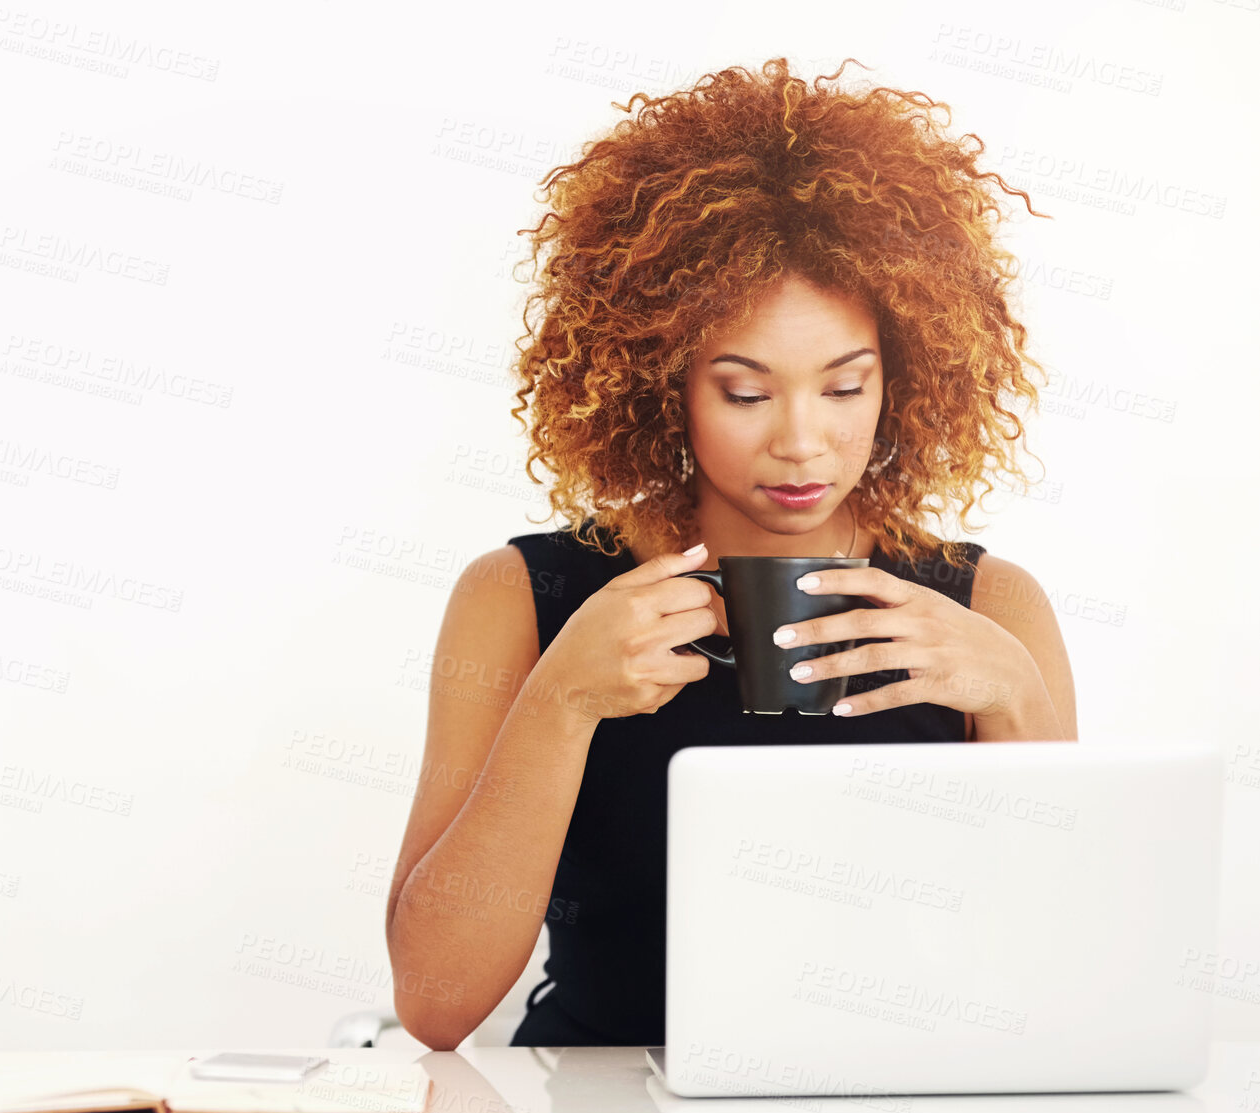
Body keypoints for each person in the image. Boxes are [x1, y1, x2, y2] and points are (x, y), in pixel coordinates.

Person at [383, 58, 1078, 1052]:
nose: (800, 441)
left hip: (895, 1110)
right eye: (745, 392)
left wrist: (1013, 697)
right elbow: (436, 1003)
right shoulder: (522, 595)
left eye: (842, 387)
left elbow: (1061, 983)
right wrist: (562, 699)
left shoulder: (989, 608)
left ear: (903, 378)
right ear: (659, 380)